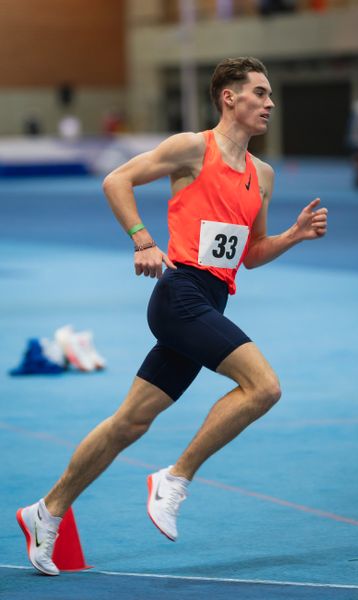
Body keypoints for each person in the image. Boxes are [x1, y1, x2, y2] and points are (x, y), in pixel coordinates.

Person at [17, 57, 328, 576]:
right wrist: (142, 240)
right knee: (265, 387)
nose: (270, 103)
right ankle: (175, 477)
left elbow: (249, 254)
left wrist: (292, 237)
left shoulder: (264, 176)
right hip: (179, 294)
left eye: (271, 94)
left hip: (211, 302)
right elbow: (117, 180)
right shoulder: (191, 148)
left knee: (129, 422)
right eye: (260, 92)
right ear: (229, 98)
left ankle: (45, 511)